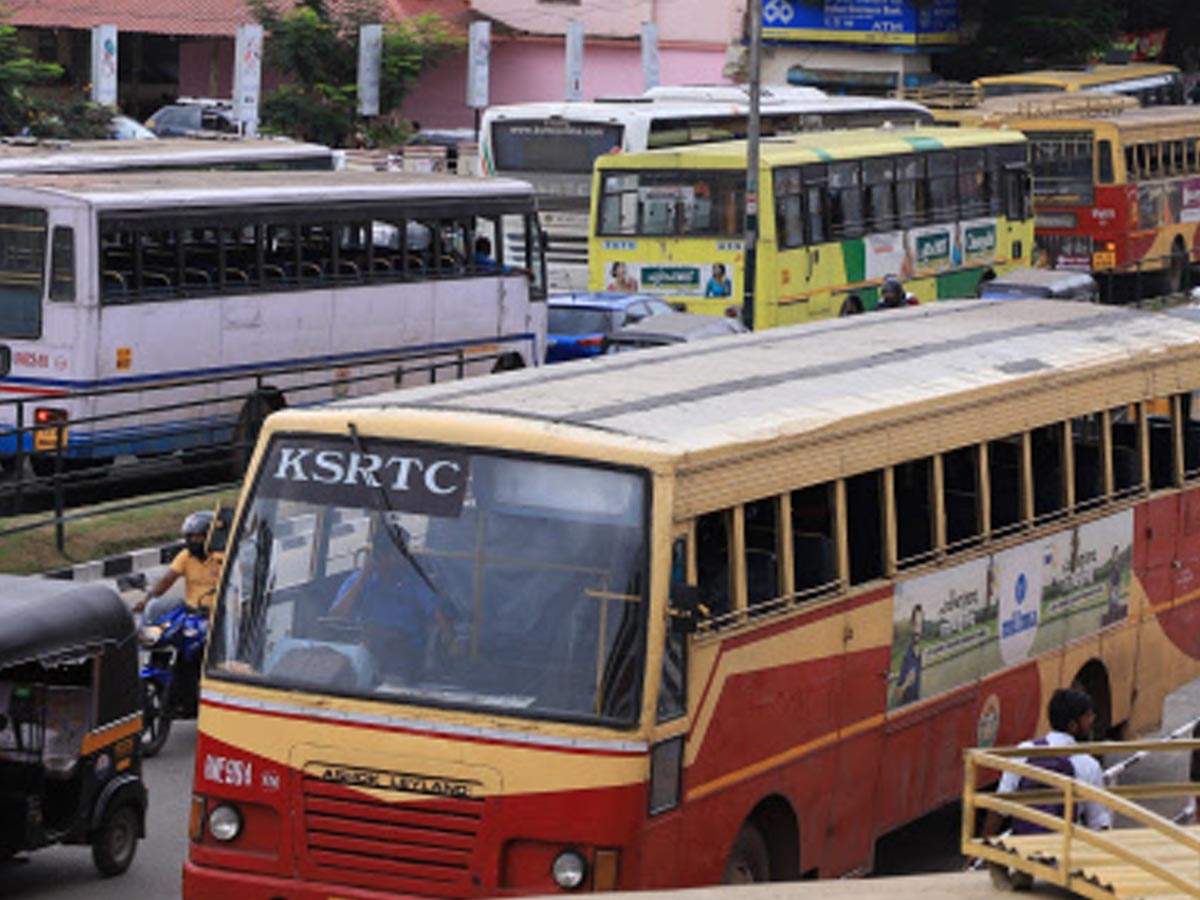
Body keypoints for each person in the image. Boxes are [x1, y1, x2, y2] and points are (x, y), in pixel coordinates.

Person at [328, 523, 456, 680]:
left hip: (403, 652)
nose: (404, 558)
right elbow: (336, 616)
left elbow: (439, 617)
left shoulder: (415, 581)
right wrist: (363, 579)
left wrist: (449, 643)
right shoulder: (359, 580)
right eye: (398, 554)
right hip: (365, 646)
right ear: (380, 556)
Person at [983, 688, 1113, 839]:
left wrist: (981, 851)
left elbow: (999, 807)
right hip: (1064, 849)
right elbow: (1097, 822)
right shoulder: (1088, 765)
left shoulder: (1024, 752)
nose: (1092, 720)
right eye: (1088, 716)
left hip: (1023, 847)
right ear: (1072, 725)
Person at [135, 511, 222, 614]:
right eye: (190, 537)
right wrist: (145, 602)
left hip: (219, 616)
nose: (193, 541)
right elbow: (166, 581)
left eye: (198, 537)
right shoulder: (185, 556)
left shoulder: (222, 557)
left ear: (210, 536)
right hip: (193, 613)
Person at [894, 604, 924, 706]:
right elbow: (897, 695)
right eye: (915, 624)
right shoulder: (906, 656)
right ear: (911, 626)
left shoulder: (920, 654)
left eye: (920, 625)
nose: (917, 630)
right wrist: (905, 684)